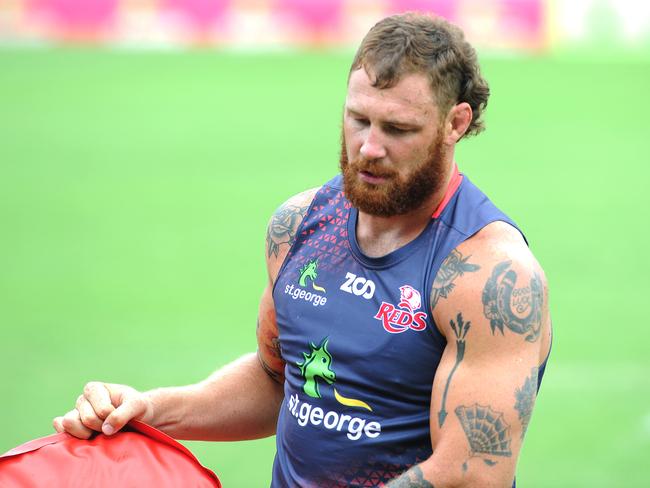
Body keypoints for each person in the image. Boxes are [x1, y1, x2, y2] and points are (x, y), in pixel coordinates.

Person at [53, 13, 552, 487]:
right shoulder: (299, 225)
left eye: (397, 129)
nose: (369, 148)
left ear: (455, 123)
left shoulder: (488, 274)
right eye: (358, 119)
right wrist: (151, 409)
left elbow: (470, 474)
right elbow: (277, 380)